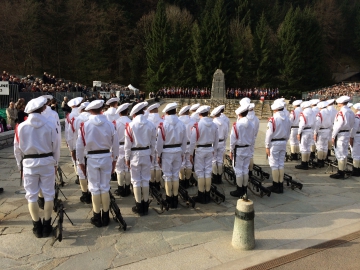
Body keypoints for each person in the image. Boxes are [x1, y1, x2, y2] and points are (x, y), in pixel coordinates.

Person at [14, 96, 60, 238]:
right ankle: (47, 225)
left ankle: (37, 226)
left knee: (31, 196)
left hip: (29, 163)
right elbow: (56, 146)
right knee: (48, 194)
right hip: (46, 161)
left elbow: (17, 149)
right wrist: (56, 163)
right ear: (42, 108)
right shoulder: (50, 125)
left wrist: (19, 165)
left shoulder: (21, 127)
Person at [76, 100, 119, 227]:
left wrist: (80, 162)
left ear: (90, 110)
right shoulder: (110, 124)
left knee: (94, 188)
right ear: (101, 109)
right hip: (106, 156)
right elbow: (115, 143)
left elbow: (79, 146)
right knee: (105, 186)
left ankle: (96, 216)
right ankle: (105, 216)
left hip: (92, 157)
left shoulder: (84, 126)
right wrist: (115, 160)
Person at [124, 102, 156, 215]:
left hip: (134, 155)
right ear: (143, 111)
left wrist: (127, 158)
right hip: (146, 153)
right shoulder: (151, 125)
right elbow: (153, 142)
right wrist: (152, 154)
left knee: (136, 181)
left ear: (134, 114)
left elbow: (127, 144)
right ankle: (145, 205)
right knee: (145, 179)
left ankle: (139, 205)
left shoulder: (130, 125)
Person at [156, 103, 187, 209]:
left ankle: (169, 198)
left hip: (167, 151)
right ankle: (175, 198)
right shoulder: (181, 124)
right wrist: (182, 152)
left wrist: (159, 154)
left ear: (166, 112)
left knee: (167, 175)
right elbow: (184, 140)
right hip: (178, 150)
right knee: (175, 175)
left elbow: (159, 142)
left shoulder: (163, 125)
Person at [189, 105, 219, 204]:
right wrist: (214, 149)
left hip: (200, 149)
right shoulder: (214, 125)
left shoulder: (197, 125)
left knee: (200, 172)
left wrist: (190, 153)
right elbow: (216, 139)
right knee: (208, 171)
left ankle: (201, 194)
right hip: (209, 149)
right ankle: (207, 194)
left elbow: (193, 141)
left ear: (199, 114)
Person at [265, 100, 291, 193]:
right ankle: (280, 185)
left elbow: (269, 134)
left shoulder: (273, 119)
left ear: (274, 109)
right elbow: (288, 132)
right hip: (283, 142)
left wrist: (267, 146)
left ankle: (276, 185)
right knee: (281, 163)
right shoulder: (287, 119)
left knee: (274, 164)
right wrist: (285, 140)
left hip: (274, 143)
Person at [229, 104, 255, 197]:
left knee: (238, 170)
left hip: (239, 150)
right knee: (245, 169)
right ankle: (244, 189)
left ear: (239, 114)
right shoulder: (251, 124)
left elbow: (233, 139)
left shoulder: (237, 125)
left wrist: (231, 151)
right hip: (247, 148)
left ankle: (239, 189)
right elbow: (253, 138)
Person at [68, 102, 91, 204]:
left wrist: (72, 149)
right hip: (93, 150)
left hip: (80, 147)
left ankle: (85, 194)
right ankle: (92, 192)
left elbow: (70, 136)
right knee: (92, 173)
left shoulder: (75, 120)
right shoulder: (94, 118)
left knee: (81, 172)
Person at [330, 96, 355, 179]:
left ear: (340, 103)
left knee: (340, 153)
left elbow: (338, 125)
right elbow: (352, 124)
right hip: (347, 133)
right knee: (344, 153)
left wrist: (333, 136)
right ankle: (343, 170)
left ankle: (340, 172)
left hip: (340, 134)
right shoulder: (350, 112)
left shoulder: (341, 112)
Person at [114, 103, 132, 197]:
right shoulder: (131, 122)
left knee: (119, 169)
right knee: (127, 168)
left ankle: (120, 188)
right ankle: (127, 188)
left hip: (119, 146)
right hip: (129, 147)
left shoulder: (116, 123)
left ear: (119, 113)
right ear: (127, 112)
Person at [66, 97, 83, 183]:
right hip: (85, 141)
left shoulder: (70, 116)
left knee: (75, 159)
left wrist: (69, 145)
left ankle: (78, 175)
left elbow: (67, 131)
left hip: (75, 140)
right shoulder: (82, 113)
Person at [178, 105, 196, 188]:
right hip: (189, 144)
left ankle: (182, 181)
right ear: (188, 112)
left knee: (181, 163)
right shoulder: (192, 121)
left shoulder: (178, 121)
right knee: (189, 163)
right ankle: (187, 181)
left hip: (180, 145)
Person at [146, 103, 163, 189]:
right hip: (159, 142)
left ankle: (152, 183)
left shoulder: (147, 120)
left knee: (151, 165)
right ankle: (157, 183)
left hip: (150, 143)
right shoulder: (162, 120)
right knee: (158, 164)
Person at [210, 105, 229, 184]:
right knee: (220, 160)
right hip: (221, 142)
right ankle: (219, 177)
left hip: (214, 143)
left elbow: (211, 134)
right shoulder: (224, 122)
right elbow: (226, 134)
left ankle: (215, 176)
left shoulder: (213, 123)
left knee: (214, 160)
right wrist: (224, 142)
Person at [295, 101, 315, 170]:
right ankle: (307, 161)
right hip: (311, 130)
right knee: (308, 147)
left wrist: (299, 132)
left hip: (305, 131)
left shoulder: (303, 113)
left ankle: (304, 163)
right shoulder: (312, 112)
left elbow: (302, 124)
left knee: (303, 147)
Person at [313, 101, 332, 168]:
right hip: (327, 130)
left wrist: (315, 133)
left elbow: (318, 124)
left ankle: (320, 161)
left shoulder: (320, 114)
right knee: (325, 146)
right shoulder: (328, 113)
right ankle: (323, 160)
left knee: (320, 147)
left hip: (321, 131)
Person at [246, 103, 259, 176]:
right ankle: (250, 171)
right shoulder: (256, 119)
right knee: (251, 154)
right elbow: (256, 130)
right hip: (252, 138)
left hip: (244, 140)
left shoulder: (244, 118)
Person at [350, 103, 360, 176]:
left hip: (357, 135)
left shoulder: (357, 116)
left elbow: (355, 128)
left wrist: (351, 136)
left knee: (356, 154)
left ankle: (356, 170)